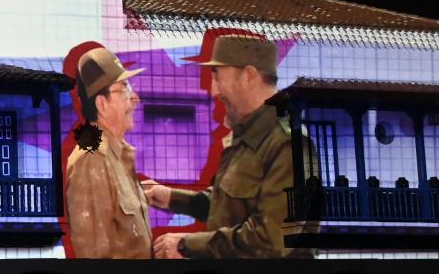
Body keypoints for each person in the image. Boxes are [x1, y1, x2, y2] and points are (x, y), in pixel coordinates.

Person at [146, 33, 301, 259]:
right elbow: (227, 205)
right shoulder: (247, 138)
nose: (213, 91)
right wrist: (172, 198)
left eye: (218, 77)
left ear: (249, 76)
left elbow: (270, 240)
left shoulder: (288, 144)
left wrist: (187, 245)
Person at [65, 47, 153, 258]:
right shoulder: (91, 159)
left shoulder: (117, 154)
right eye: (124, 90)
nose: (135, 99)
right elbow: (94, 259)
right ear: (102, 105)